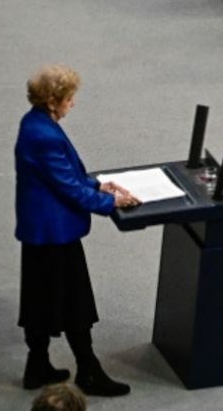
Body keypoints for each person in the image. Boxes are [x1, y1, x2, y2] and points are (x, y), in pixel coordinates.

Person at [15, 65, 140, 397]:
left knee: (39, 300)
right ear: (54, 101)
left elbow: (66, 174)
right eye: (70, 98)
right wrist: (110, 202)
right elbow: (67, 187)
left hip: (39, 231)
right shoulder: (43, 135)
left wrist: (99, 184)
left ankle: (37, 365)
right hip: (55, 232)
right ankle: (89, 370)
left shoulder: (37, 122)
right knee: (76, 305)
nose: (73, 104)